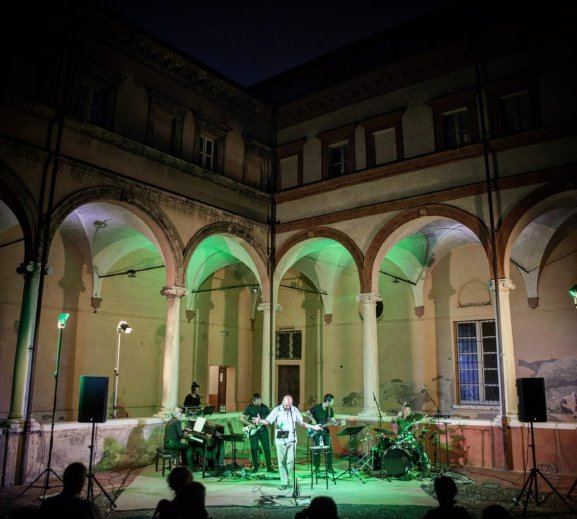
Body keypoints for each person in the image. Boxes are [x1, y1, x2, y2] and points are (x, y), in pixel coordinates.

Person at [253, 395, 322, 490]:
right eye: (286, 405)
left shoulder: (294, 410)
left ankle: (288, 479)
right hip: (280, 441)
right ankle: (284, 482)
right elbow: (268, 421)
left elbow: (301, 423)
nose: (287, 407)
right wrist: (260, 421)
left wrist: (313, 427)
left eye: (289, 405)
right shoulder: (277, 410)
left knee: (290, 461)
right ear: (282, 402)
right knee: (282, 462)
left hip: (292, 440)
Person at [239, 393, 275, 474]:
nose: (259, 402)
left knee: (267, 448)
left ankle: (269, 467)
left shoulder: (264, 407)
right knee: (254, 449)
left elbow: (269, 419)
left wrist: (268, 428)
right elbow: (242, 418)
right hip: (253, 431)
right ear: (253, 401)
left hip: (263, 431)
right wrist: (250, 424)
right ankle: (255, 467)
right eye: (257, 401)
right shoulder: (249, 408)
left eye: (260, 400)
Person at [305, 394, 336, 474]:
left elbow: (333, 420)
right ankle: (317, 468)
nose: (333, 403)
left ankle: (329, 468)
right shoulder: (316, 407)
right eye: (332, 401)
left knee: (329, 449)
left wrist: (337, 423)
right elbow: (307, 413)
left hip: (325, 431)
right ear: (327, 401)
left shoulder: (330, 410)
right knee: (317, 449)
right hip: (316, 431)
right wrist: (312, 419)